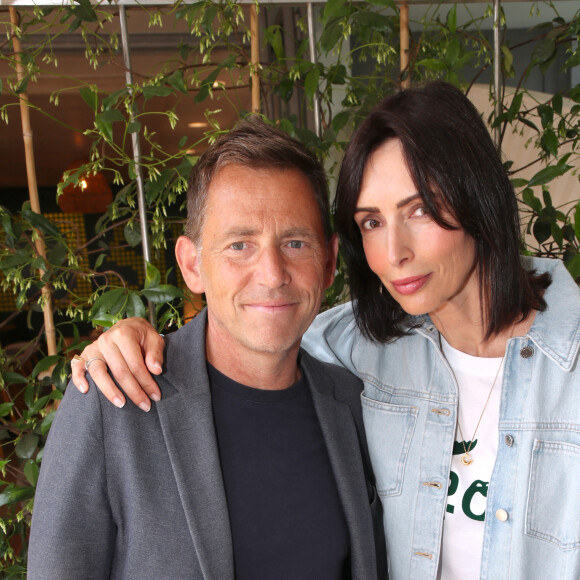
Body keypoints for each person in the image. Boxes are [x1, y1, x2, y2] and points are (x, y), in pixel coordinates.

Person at [73, 81, 580, 580]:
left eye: (419, 210)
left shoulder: (567, 361)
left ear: (479, 199)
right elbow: (256, 332)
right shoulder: (360, 347)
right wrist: (134, 338)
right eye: (372, 222)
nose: (395, 251)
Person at [28, 118, 386, 580]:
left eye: (295, 243)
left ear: (330, 261)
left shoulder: (354, 403)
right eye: (240, 245)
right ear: (191, 265)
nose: (272, 273)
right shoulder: (109, 402)